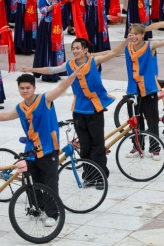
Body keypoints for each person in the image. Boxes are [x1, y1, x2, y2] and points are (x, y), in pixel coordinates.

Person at [0, 70, 84, 227]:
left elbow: (61, 88)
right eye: (22, 88)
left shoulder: (44, 99)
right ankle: (37, 209)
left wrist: (73, 75)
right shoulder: (20, 107)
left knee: (50, 183)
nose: (25, 91)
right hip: (31, 151)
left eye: (28, 87)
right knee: (31, 182)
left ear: (34, 88)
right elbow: (6, 116)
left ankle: (53, 214)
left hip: (48, 149)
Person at [24, 38, 125, 181]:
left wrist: (127, 40)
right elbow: (52, 69)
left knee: (97, 145)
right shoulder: (70, 64)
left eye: (78, 48)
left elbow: (114, 52)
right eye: (73, 48)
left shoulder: (93, 62)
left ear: (85, 50)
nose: (75, 51)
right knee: (84, 146)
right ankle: (88, 176)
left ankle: (101, 177)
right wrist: (31, 70)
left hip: (95, 110)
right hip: (78, 111)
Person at [123, 24, 164, 156]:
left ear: (143, 35)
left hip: (148, 89)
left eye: (137, 34)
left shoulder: (150, 47)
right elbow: (111, 53)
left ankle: (155, 148)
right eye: (132, 34)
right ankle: (137, 146)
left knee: (152, 119)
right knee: (135, 120)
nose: (134, 36)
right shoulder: (128, 48)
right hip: (133, 89)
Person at [32, 0, 66, 83]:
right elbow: (42, 10)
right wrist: (52, 7)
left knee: (58, 47)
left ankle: (58, 70)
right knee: (49, 48)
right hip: (48, 25)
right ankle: (49, 74)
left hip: (56, 24)